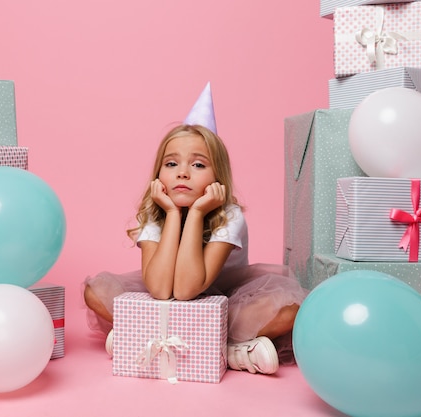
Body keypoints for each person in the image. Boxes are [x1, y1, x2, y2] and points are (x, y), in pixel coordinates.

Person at [83, 83, 307, 375]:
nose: (183, 173)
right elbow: (162, 290)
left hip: (227, 297)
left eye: (198, 165)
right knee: (95, 292)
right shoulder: (156, 213)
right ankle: (226, 349)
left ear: (218, 176)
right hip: (170, 296)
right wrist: (173, 213)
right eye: (172, 163)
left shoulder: (230, 215)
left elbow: (188, 289)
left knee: (291, 308)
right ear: (158, 174)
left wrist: (199, 211)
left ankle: (198, 344)